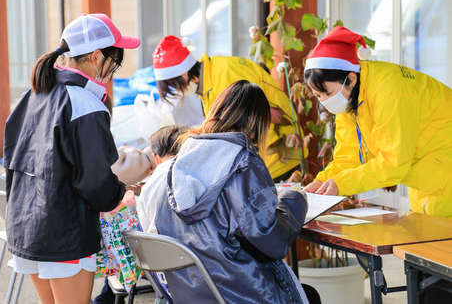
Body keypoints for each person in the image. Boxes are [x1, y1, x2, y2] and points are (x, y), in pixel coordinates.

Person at [3, 13, 140, 304]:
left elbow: (12, 158)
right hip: (64, 230)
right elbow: (94, 181)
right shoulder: (84, 102)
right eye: (114, 59)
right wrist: (122, 193)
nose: (114, 67)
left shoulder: (33, 93)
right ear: (96, 56)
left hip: (26, 224)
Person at [155, 80, 314, 303]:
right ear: (259, 125)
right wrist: (295, 200)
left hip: (192, 292)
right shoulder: (244, 163)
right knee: (310, 295)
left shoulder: (181, 160)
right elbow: (271, 243)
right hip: (237, 291)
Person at [303, 26, 452, 220]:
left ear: (351, 78)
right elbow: (348, 157)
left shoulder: (389, 92)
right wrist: (320, 183)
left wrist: (341, 184)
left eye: (328, 93)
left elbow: (393, 163)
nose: (324, 101)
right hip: (428, 181)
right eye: (318, 96)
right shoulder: (349, 97)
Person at [152, 35, 305, 180]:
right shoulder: (209, 79)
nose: (179, 91)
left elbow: (238, 129)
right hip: (260, 156)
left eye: (175, 86)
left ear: (184, 74)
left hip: (277, 154)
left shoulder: (226, 76)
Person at [136, 124, 189, 234]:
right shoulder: (198, 169)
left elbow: (145, 227)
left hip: (163, 247)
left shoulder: (149, 186)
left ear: (155, 157)